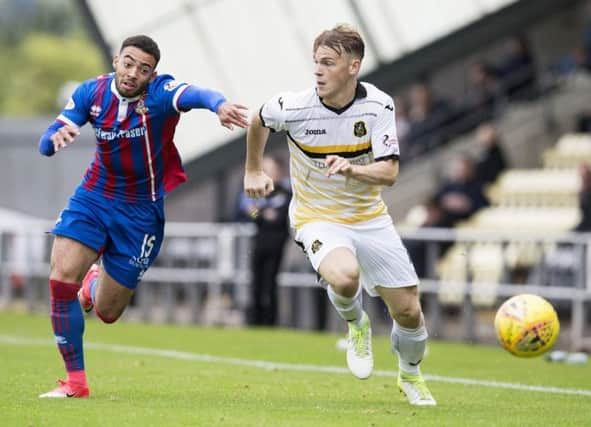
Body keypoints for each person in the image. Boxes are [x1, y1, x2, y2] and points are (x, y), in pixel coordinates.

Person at [37, 35, 248, 398]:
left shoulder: (161, 94)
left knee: (107, 311)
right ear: (117, 60)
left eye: (143, 68)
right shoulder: (93, 92)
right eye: (129, 63)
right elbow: (49, 139)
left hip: (140, 213)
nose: (134, 73)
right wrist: (56, 136)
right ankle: (75, 382)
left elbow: (197, 94)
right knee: (59, 281)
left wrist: (220, 105)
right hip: (94, 196)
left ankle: (93, 284)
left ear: (153, 74)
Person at [243, 24, 436, 406]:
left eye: (328, 63)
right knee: (345, 278)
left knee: (410, 312)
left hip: (370, 218)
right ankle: (357, 324)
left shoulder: (378, 105)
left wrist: (352, 168)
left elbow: (391, 173)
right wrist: (253, 170)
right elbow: (258, 120)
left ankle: (410, 375)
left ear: (353, 66)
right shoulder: (294, 106)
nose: (318, 71)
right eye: (315, 62)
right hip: (317, 217)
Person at [235, 155, 291, 326]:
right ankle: (254, 321)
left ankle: (270, 321)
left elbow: (278, 217)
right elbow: (250, 213)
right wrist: (260, 214)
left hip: (276, 243)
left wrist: (260, 213)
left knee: (270, 283)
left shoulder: (285, 193)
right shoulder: (259, 192)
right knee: (255, 282)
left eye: (270, 170)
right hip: (259, 242)